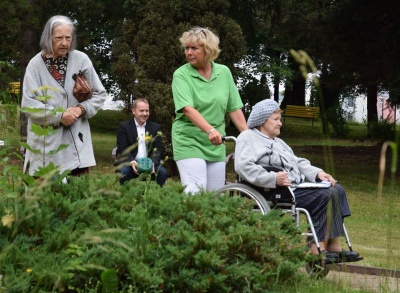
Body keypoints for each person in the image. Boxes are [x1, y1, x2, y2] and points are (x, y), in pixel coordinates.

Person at [234, 99, 360, 262]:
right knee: (325, 195)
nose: (280, 124)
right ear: (262, 120)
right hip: (272, 191)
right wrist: (272, 178)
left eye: (280, 119)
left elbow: (298, 161)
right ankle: (316, 248)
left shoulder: (278, 142)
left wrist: (318, 173)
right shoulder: (247, 137)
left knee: (338, 189)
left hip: (294, 187)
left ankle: (333, 245)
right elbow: (242, 166)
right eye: (276, 119)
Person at [21, 15, 107, 177]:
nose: (65, 43)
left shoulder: (81, 60)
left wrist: (81, 109)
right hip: (45, 145)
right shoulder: (35, 65)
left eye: (68, 38)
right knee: (44, 197)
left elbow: (99, 94)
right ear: (48, 38)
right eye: (59, 38)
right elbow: (29, 104)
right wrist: (58, 116)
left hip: (77, 142)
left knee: (78, 197)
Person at [171, 27, 248, 194]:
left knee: (216, 194)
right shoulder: (181, 75)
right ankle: (188, 219)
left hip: (216, 142)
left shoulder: (224, 72)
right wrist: (210, 130)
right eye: (187, 48)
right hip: (189, 140)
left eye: (194, 48)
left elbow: (234, 108)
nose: (189, 52)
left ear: (208, 49)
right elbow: (188, 109)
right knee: (196, 190)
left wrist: (248, 136)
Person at [115, 98, 168, 186]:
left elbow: (158, 149)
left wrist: (152, 163)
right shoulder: (124, 126)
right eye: (141, 111)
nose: (145, 114)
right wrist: (132, 161)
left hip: (150, 163)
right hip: (130, 163)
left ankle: (156, 196)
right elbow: (122, 148)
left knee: (163, 172)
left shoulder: (155, 128)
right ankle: (126, 196)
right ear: (133, 111)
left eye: (147, 111)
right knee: (124, 172)